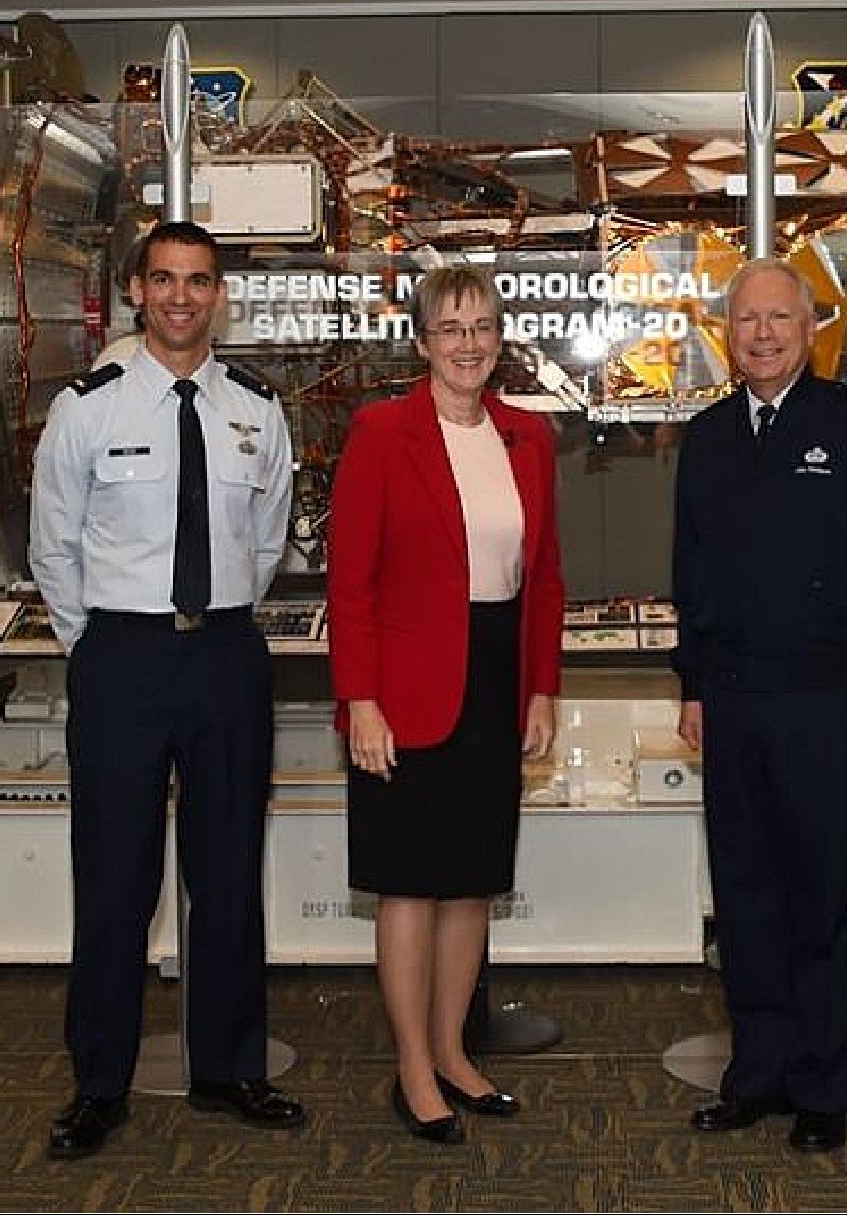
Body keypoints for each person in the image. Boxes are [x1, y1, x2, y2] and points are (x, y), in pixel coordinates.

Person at [29, 219, 304, 1159]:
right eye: (164, 279)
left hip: (224, 655)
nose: (181, 296)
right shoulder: (89, 407)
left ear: (218, 294)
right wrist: (97, 641)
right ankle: (97, 1083)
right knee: (114, 879)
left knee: (228, 874)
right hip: (121, 657)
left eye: (198, 280)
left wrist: (213, 620)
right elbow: (52, 546)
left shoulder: (256, 410)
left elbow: (266, 544)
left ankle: (229, 1068)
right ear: (136, 291)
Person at [670, 257, 847, 1153]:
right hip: (734, 701)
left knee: (821, 902)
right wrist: (693, 683)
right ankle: (757, 1074)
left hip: (833, 704)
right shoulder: (706, 438)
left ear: (810, 327)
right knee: (744, 901)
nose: (762, 334)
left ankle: (824, 1086)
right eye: (747, 320)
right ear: (728, 331)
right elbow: (692, 572)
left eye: (779, 319)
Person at [326, 264, 564, 1146]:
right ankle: (414, 1069)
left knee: (471, 880)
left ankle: (457, 1054)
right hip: (406, 687)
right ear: (423, 340)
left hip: (496, 678)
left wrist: (541, 685)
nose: (469, 343)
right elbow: (349, 583)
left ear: (500, 338)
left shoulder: (526, 439)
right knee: (409, 884)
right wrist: (361, 700)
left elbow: (544, 579)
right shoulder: (383, 433)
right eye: (451, 327)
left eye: (483, 326)